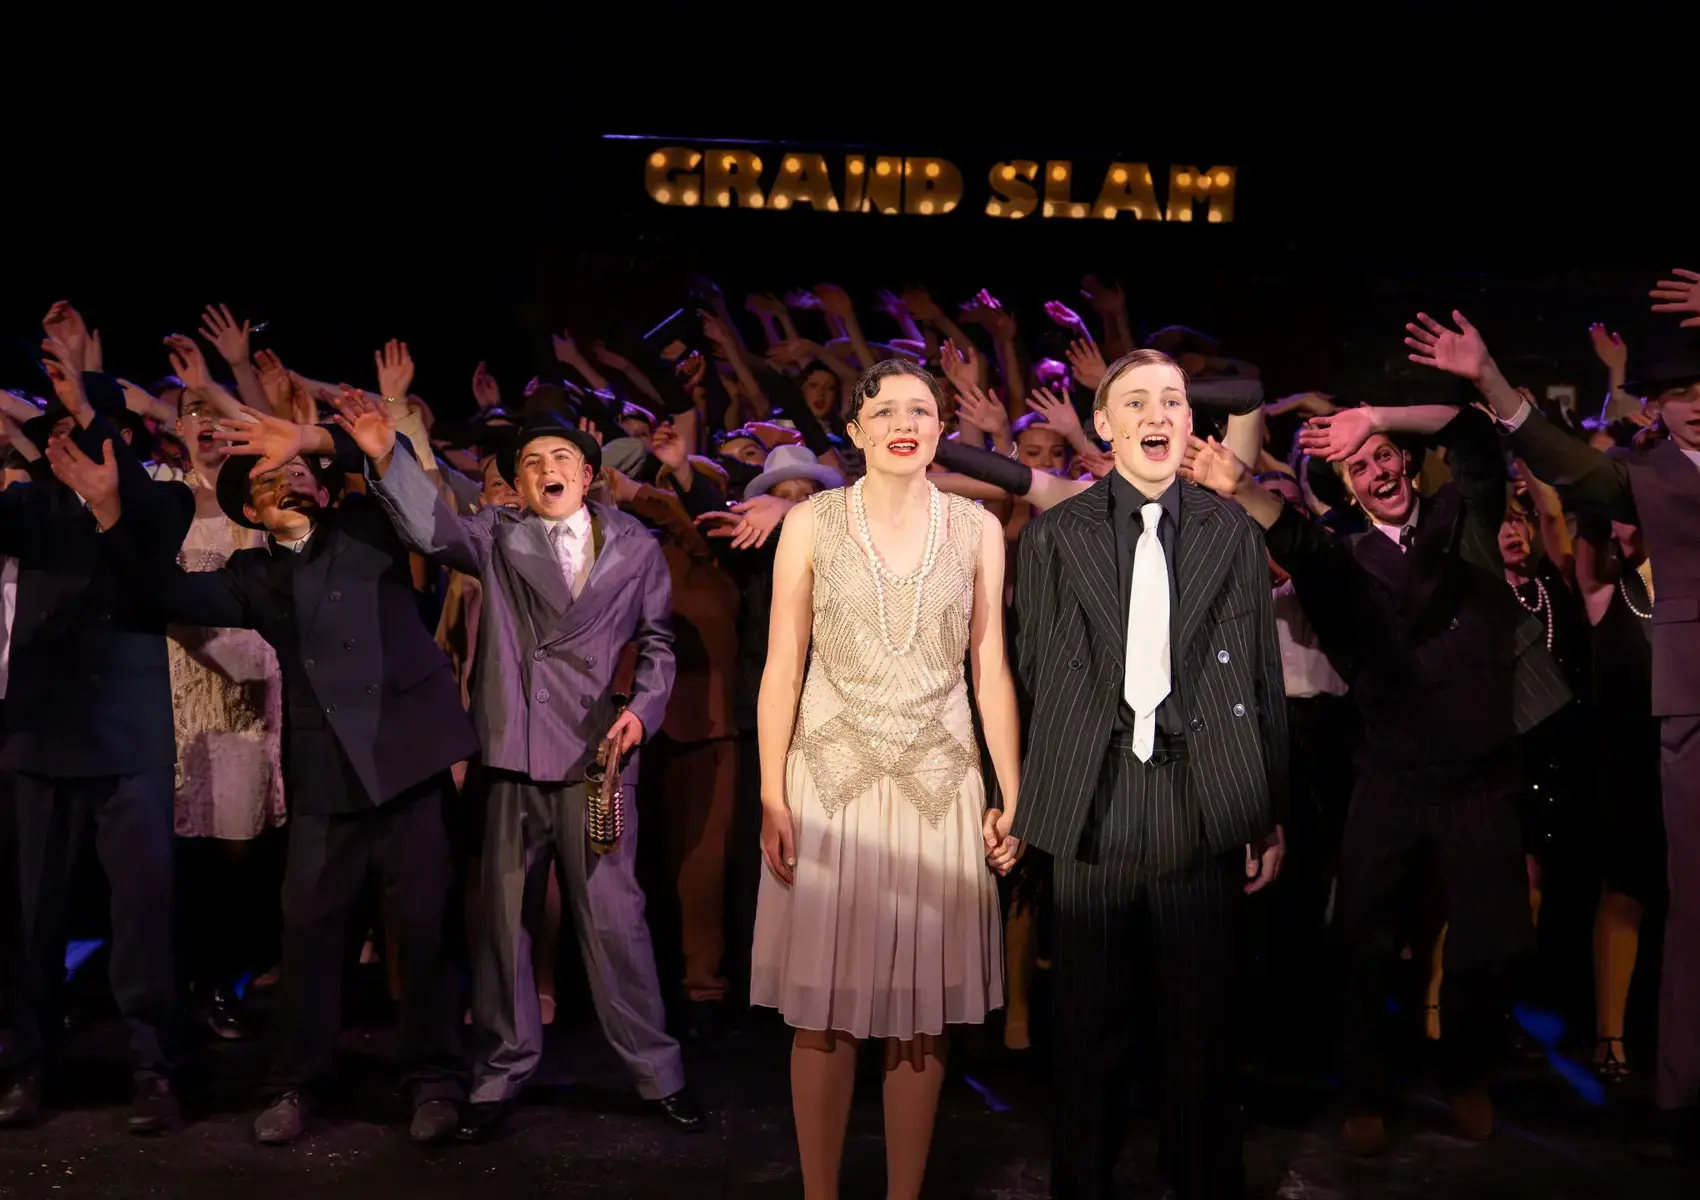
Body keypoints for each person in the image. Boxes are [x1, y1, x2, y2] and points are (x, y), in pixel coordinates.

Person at [51, 401, 478, 1147]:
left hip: (407, 763)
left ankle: (435, 1080)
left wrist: (331, 442)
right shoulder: (254, 574)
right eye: (271, 481)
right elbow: (163, 596)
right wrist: (113, 512)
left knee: (426, 932)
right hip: (326, 776)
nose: (290, 483)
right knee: (309, 936)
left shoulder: (368, 526)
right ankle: (293, 1083)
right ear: (250, 508)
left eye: (300, 473)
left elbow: (432, 525)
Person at [1193, 393, 1569, 1157]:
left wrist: (1374, 414)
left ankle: (1465, 1073)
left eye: (1383, 455)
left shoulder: (1460, 522)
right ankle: (1365, 1092)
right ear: (1347, 487)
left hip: (1480, 775)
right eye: (1358, 467)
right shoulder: (1343, 558)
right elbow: (1299, 542)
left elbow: (1473, 437)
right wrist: (1240, 486)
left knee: (1494, 945)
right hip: (1391, 777)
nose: (1376, 471)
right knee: (1360, 941)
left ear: (1403, 460)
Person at [353, 397, 700, 1140]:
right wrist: (389, 455)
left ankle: (657, 1074)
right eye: (533, 462)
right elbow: (431, 528)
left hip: (597, 760)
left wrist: (644, 710)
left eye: (561, 459)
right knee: (502, 926)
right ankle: (502, 1071)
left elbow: (660, 644)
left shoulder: (635, 547)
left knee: (616, 923)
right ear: (518, 479)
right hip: (511, 755)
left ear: (588, 472)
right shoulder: (496, 535)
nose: (548, 470)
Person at [1409, 309, 1700, 1144]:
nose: (1693, 405)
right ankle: (1683, 1085)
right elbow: (1566, 464)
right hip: (1689, 699)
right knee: (1689, 902)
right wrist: (1491, 378)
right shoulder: (1647, 476)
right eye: (1677, 393)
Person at [1012, 348, 1286, 1200]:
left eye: (1172, 399)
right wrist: (1031, 807)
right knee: (1087, 1029)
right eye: (1136, 401)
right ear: (1103, 425)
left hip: (1197, 799)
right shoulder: (1059, 535)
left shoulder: (1231, 530)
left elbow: (1260, 682)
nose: (1158, 415)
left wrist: (1262, 810)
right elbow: (1035, 676)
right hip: (1094, 801)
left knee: (1199, 1032)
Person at [751, 359, 1020, 1200]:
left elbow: (991, 669)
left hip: (938, 787)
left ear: (942, 429)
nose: (906, 421)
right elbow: (782, 667)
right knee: (822, 1011)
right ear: (859, 427)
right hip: (830, 784)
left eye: (924, 410)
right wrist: (770, 791)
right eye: (888, 409)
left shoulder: (978, 528)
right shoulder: (812, 523)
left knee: (920, 1019)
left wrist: (1009, 792)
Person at [0, 345, 190, 1134]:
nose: (76, 449)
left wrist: (88, 404)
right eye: (67, 436)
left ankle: (156, 1070)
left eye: (93, 433)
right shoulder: (32, 507)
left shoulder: (161, 506)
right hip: (41, 737)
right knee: (29, 913)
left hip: (129, 736)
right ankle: (25, 1064)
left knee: (144, 913)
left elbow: (144, 545)